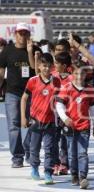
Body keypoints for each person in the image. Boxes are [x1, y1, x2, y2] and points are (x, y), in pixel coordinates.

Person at [56, 60, 94, 189]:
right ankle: (74, 174)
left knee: (82, 153)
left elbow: (92, 108)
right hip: (70, 126)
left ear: (85, 74)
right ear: (72, 73)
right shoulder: (66, 88)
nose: (79, 77)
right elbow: (59, 105)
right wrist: (65, 118)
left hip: (84, 126)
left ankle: (83, 177)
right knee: (72, 153)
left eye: (82, 74)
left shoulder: (89, 89)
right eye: (76, 74)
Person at [0, 22, 36, 168]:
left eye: (25, 33)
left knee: (34, 125)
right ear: (15, 34)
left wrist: (30, 52)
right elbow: (1, 72)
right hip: (12, 93)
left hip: (31, 93)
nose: (22, 36)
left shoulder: (34, 49)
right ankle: (17, 157)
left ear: (29, 34)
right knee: (13, 126)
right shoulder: (7, 51)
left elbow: (37, 69)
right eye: (20, 33)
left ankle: (28, 149)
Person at [20, 53, 59, 184]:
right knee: (34, 147)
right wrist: (23, 118)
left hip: (50, 121)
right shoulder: (33, 81)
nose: (47, 69)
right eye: (44, 66)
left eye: (49, 66)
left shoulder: (56, 81)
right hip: (35, 121)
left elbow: (62, 100)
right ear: (39, 66)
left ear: (53, 67)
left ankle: (48, 172)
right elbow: (24, 99)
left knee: (49, 148)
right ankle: (34, 167)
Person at [52, 52, 73, 176]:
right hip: (53, 113)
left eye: (56, 63)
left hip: (66, 114)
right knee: (54, 140)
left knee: (65, 140)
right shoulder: (53, 76)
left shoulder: (72, 79)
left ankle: (64, 164)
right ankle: (55, 163)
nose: (54, 65)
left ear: (64, 65)